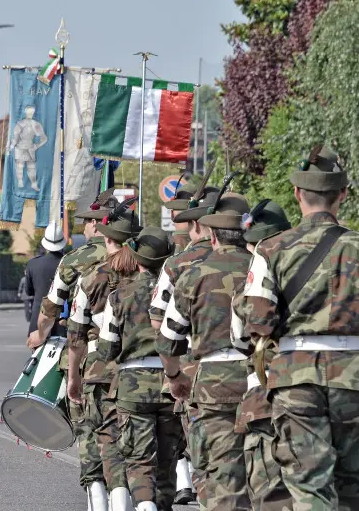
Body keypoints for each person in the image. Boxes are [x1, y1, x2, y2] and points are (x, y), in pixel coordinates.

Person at [233, 145, 359, 510]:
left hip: (295, 375)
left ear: (296, 193)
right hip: (355, 376)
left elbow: (257, 324)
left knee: (308, 483)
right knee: (354, 485)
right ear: (342, 194)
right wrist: (352, 345)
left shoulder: (269, 249)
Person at [158, 191, 254, 511]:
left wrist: (174, 376)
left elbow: (168, 336)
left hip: (212, 381)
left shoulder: (192, 273)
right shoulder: (265, 268)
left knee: (220, 470)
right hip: (264, 378)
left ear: (211, 235)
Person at [28, 189, 117, 509]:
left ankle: (98, 498)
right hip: (134, 358)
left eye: (88, 222)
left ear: (98, 224)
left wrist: (40, 335)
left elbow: (49, 308)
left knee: (90, 432)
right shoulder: (138, 252)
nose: (84, 228)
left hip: (88, 356)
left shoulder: (75, 259)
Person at [66, 204, 143, 511]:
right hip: (144, 369)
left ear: (106, 238)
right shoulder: (150, 270)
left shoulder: (91, 277)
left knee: (102, 440)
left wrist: (73, 376)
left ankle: (102, 503)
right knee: (139, 446)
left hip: (100, 371)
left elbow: (76, 336)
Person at [98, 227, 179, 511]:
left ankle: (145, 505)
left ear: (136, 258)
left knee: (139, 460)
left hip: (132, 386)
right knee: (167, 461)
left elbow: (106, 349)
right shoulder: (177, 291)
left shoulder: (120, 296)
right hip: (172, 382)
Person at [149, 188, 219, 506]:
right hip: (249, 367)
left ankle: (190, 484)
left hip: (196, 364)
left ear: (193, 225)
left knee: (202, 449)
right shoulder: (253, 255)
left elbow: (158, 317)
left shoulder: (178, 264)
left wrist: (172, 369)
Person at [230, 200, 293, 510]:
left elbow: (243, 339)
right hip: (329, 391)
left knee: (270, 492)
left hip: (267, 394)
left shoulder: (254, 276)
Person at [25, 220, 66, 338]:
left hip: (38, 320)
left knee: (38, 355)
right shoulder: (69, 262)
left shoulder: (33, 264)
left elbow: (29, 291)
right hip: (62, 320)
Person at [10, 104, 47, 191]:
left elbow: (44, 138)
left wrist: (37, 145)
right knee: (20, 166)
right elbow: (15, 138)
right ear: (26, 112)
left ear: (33, 112)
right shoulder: (20, 124)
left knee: (31, 168)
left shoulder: (36, 124)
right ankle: (20, 182)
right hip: (20, 147)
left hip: (30, 147)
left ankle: (33, 184)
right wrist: (11, 146)